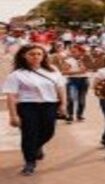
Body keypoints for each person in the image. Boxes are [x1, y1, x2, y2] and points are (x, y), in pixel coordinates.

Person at [2, 44, 66, 176]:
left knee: (49, 131)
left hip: (49, 105)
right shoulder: (17, 74)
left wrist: (63, 104)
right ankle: (29, 162)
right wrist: (13, 116)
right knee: (29, 135)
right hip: (27, 106)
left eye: (39, 54)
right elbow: (11, 96)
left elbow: (61, 88)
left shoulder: (52, 70)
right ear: (24, 56)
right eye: (32, 54)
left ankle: (36, 147)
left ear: (43, 56)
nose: (36, 57)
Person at [61, 44, 90, 124]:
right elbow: (63, 72)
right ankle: (70, 115)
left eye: (75, 52)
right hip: (72, 80)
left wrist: (83, 64)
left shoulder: (86, 59)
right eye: (71, 52)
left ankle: (79, 115)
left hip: (84, 80)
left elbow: (90, 68)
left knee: (81, 99)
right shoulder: (68, 60)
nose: (72, 53)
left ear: (81, 52)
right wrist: (78, 72)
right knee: (70, 99)